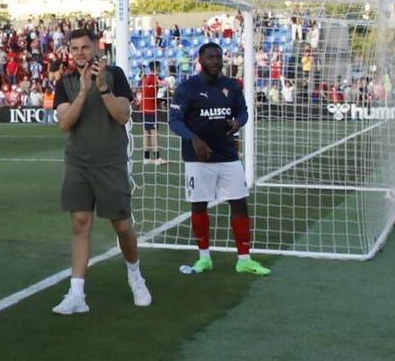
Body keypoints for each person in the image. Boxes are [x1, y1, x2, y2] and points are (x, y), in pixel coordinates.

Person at [53, 28, 151, 315]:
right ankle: (77, 293)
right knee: (80, 223)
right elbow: (64, 123)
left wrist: (102, 87)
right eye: (75, 48)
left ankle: (135, 275)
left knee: (121, 225)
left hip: (111, 162)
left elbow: (122, 116)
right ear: (69, 52)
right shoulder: (66, 82)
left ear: (95, 47)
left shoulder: (115, 74)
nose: (80, 53)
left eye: (85, 47)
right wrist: (84, 91)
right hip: (78, 162)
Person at [167, 42, 270, 276]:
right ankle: (204, 258)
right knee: (199, 205)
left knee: (239, 203)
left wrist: (238, 122)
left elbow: (243, 111)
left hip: (227, 155)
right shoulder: (187, 88)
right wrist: (193, 138)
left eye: (218, 57)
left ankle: (244, 259)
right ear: (200, 60)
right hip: (197, 159)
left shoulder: (231, 86)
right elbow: (174, 120)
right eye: (210, 57)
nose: (215, 61)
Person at [137, 62, 164, 164]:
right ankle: (157, 158)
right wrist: (159, 101)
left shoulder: (147, 78)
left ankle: (146, 158)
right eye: (159, 67)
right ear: (157, 67)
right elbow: (149, 93)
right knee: (154, 133)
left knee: (146, 133)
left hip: (143, 108)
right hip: (150, 109)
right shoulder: (151, 78)